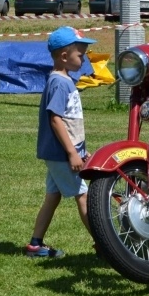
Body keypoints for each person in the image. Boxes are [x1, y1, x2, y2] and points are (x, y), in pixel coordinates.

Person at [25, 26, 96, 258]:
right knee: (83, 196)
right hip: (61, 155)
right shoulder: (60, 83)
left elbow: (69, 122)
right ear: (64, 56)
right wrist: (72, 153)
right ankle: (105, 246)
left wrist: (80, 150)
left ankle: (35, 244)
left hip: (61, 153)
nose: (83, 59)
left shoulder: (64, 80)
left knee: (53, 196)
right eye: (80, 55)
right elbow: (55, 119)